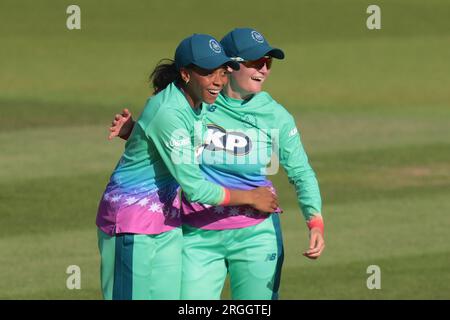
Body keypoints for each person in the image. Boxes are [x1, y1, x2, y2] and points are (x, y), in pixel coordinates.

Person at [109, 28, 325, 300]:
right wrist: (137, 132)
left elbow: (301, 172)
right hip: (197, 236)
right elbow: (169, 134)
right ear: (230, 66)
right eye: (256, 62)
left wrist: (314, 221)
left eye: (268, 63)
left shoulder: (275, 116)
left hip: (256, 236)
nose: (265, 69)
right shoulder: (199, 101)